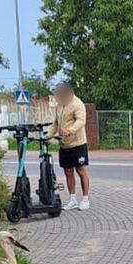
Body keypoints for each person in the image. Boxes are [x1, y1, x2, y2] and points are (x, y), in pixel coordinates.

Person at [46, 82, 90, 210]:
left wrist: (70, 130)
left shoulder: (77, 104)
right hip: (64, 145)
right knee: (68, 172)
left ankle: (85, 199)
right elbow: (56, 123)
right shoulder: (59, 105)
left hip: (77, 143)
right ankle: (72, 199)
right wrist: (49, 134)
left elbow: (81, 120)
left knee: (81, 170)